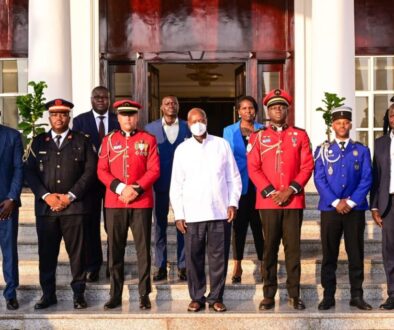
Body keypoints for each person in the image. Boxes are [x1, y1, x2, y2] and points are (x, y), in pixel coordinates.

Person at [25, 98, 97, 310]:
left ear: (69, 116)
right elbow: (29, 171)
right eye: (55, 114)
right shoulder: (38, 142)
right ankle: (48, 294)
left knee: (77, 254)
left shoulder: (83, 140)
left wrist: (70, 196)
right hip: (46, 210)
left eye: (63, 114)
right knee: (47, 254)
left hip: (74, 208)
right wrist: (46, 196)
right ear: (49, 117)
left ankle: (78, 294)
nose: (59, 118)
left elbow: (90, 171)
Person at [247, 89, 314, 311]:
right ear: (268, 110)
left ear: (287, 110)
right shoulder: (258, 137)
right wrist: (270, 191)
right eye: (274, 106)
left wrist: (291, 190)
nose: (278, 109)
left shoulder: (300, 135)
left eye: (282, 106)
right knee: (269, 248)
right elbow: (253, 167)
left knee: (293, 249)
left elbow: (307, 166)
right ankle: (268, 294)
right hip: (268, 202)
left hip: (293, 201)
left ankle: (294, 294)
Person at [170, 108, 242, 313]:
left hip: (220, 212)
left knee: (219, 258)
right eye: (193, 121)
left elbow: (233, 178)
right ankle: (197, 297)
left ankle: (217, 297)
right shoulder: (182, 150)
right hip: (192, 214)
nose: (198, 124)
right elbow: (176, 185)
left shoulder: (222, 145)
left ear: (207, 121)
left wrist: (232, 203)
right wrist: (179, 214)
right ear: (188, 124)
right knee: (194, 257)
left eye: (201, 119)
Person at [97, 99, 160, 310]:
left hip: (141, 201)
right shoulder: (108, 140)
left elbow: (154, 170)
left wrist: (135, 189)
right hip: (115, 202)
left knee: (143, 250)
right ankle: (115, 294)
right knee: (115, 250)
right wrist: (120, 188)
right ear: (117, 117)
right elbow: (102, 170)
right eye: (124, 115)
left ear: (137, 117)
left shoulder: (148, 139)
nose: (128, 118)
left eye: (132, 115)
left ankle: (144, 294)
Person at [314, 106, 373, 311]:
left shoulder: (361, 150)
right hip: (330, 210)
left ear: (350, 124)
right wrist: (335, 201)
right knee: (329, 254)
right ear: (333, 125)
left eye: (346, 122)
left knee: (355, 253)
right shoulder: (323, 150)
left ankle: (357, 295)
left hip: (354, 211)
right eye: (338, 123)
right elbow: (319, 179)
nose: (342, 125)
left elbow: (366, 178)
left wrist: (350, 202)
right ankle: (328, 295)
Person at [73, 86, 120, 282]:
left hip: (113, 181)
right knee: (90, 225)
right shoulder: (80, 121)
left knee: (113, 226)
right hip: (89, 182)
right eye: (97, 97)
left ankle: (113, 265)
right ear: (91, 99)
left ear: (109, 100)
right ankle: (93, 266)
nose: (101, 100)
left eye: (104, 97)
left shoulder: (118, 121)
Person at [145, 95, 191, 282]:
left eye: (174, 103)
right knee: (159, 225)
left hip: (184, 185)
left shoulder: (188, 126)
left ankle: (183, 265)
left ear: (178, 107)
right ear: (161, 108)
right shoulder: (150, 129)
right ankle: (160, 265)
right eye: (167, 103)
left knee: (184, 224)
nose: (171, 106)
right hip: (159, 183)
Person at [223, 96, 264, 283]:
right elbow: (226, 158)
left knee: (259, 227)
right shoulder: (229, 131)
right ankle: (237, 264)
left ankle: (263, 263)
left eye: (251, 108)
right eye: (244, 108)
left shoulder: (263, 130)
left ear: (255, 110)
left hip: (260, 185)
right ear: (238, 111)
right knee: (238, 228)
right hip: (239, 185)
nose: (248, 111)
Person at [371, 103, 394, 310]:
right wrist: (374, 207)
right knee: (389, 250)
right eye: (393, 115)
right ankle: (393, 294)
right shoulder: (380, 144)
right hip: (389, 204)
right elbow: (375, 178)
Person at [0, 114, 23, 310]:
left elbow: (18, 168)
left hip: (5, 205)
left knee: (9, 251)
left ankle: (11, 293)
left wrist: (12, 198)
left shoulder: (12, 136)